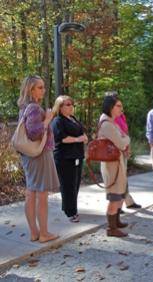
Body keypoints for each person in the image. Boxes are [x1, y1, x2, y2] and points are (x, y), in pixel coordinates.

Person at [17, 75, 59, 243]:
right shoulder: (34, 108)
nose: (44, 89)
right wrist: (48, 120)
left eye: (43, 86)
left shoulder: (24, 107)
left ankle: (34, 233)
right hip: (39, 155)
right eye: (40, 87)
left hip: (29, 155)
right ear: (31, 89)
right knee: (41, 194)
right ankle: (44, 233)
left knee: (31, 192)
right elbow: (35, 133)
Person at [51, 95, 88, 223]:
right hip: (64, 158)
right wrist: (78, 139)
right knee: (67, 185)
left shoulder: (72, 118)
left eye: (72, 104)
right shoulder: (57, 121)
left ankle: (71, 208)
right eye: (68, 104)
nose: (71, 106)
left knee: (75, 184)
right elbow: (61, 138)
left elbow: (80, 132)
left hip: (77, 156)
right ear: (60, 107)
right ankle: (70, 212)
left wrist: (84, 137)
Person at [98, 95, 130, 237]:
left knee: (119, 193)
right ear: (111, 107)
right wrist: (126, 140)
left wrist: (124, 139)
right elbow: (123, 142)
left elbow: (123, 137)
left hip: (117, 163)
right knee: (114, 196)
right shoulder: (107, 124)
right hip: (111, 166)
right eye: (118, 106)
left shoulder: (112, 122)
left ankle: (116, 221)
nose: (121, 109)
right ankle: (111, 229)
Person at [105, 91, 142, 211]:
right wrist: (125, 142)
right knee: (118, 180)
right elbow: (119, 138)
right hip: (115, 152)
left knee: (123, 178)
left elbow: (125, 132)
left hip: (122, 149)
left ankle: (125, 201)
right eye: (112, 98)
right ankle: (120, 204)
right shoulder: (109, 119)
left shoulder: (121, 115)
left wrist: (128, 147)